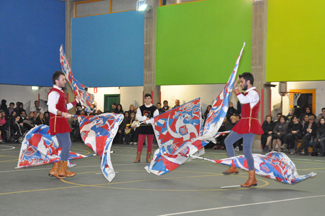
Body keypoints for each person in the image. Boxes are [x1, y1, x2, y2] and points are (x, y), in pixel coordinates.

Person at [223, 72, 264, 188]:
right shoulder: (248, 93)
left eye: (242, 82)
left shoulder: (254, 94)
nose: (241, 84)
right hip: (244, 122)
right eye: (240, 82)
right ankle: (234, 166)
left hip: (250, 124)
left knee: (246, 150)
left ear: (248, 82)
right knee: (228, 141)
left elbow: (243, 100)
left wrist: (235, 88)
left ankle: (251, 179)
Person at [47, 71, 80, 179]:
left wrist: (76, 102)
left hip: (60, 120)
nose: (65, 81)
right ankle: (63, 170)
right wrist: (63, 113)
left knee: (62, 146)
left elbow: (64, 106)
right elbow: (50, 108)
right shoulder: (54, 93)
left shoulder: (59, 92)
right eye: (63, 79)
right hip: (58, 121)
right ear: (56, 81)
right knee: (66, 144)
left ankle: (55, 169)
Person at [134, 93, 159, 163]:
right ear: (144, 99)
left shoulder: (155, 109)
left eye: (149, 98)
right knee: (140, 142)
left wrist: (148, 121)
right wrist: (144, 118)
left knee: (150, 143)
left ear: (151, 99)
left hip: (150, 127)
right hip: (142, 127)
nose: (147, 100)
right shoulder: (140, 108)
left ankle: (148, 157)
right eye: (146, 98)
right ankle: (138, 157)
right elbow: (138, 116)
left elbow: (155, 118)